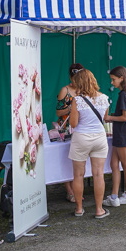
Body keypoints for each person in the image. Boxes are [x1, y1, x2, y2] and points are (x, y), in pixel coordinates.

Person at [68, 69, 111, 218]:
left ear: (79, 83)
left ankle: (79, 208)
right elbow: (105, 118)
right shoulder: (104, 98)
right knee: (99, 174)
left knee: (78, 175)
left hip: (81, 138)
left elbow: (73, 124)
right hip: (99, 137)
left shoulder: (77, 100)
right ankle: (99, 210)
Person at [103, 66, 126, 207]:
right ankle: (114, 196)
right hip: (120, 134)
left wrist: (110, 117)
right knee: (114, 164)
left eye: (113, 79)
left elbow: (125, 117)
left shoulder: (123, 95)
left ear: (121, 78)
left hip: (122, 134)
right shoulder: (124, 94)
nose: (112, 82)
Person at [56, 63, 83, 202]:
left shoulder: (84, 90)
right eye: (73, 78)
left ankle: (78, 188)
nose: (76, 82)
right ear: (70, 77)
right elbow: (58, 112)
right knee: (67, 158)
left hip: (80, 127)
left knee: (78, 159)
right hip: (66, 128)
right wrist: (71, 108)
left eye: (78, 78)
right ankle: (70, 190)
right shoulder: (64, 90)